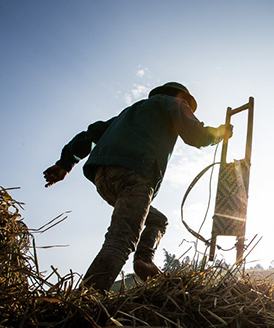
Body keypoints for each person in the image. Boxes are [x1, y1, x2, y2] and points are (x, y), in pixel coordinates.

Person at [44, 82, 233, 291]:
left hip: (103, 177)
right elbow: (195, 135)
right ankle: (87, 299)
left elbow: (91, 134)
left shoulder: (128, 112)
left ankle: (144, 259)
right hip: (136, 172)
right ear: (182, 97)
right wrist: (220, 133)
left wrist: (65, 163)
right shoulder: (175, 103)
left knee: (157, 220)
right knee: (121, 239)